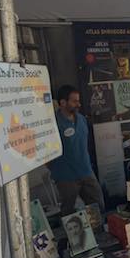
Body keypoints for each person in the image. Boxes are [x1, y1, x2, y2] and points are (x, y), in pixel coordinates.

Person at [49, 85, 105, 216]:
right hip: (66, 177)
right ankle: (71, 237)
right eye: (74, 101)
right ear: (63, 102)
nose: (79, 104)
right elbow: (47, 152)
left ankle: (98, 234)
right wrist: (56, 170)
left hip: (86, 171)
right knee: (69, 214)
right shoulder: (53, 123)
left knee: (97, 206)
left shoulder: (81, 119)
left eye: (78, 101)